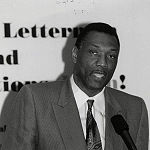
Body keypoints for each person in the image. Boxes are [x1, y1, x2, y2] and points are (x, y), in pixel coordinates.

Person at [1, 22, 149, 150]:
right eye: (93, 52)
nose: (103, 63)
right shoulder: (35, 100)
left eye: (111, 56)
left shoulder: (135, 108)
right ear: (75, 54)